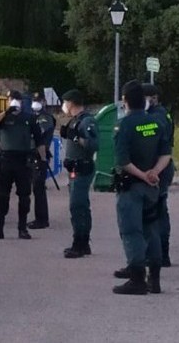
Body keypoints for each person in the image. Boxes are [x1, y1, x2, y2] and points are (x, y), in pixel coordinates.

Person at [111, 80, 172, 295]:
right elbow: (166, 153)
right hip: (153, 187)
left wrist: (142, 175)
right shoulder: (156, 122)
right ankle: (154, 279)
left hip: (132, 186)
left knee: (131, 231)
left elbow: (122, 161)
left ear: (125, 101)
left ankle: (137, 278)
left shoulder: (124, 125)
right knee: (151, 229)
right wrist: (154, 172)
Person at [0, 90, 46, 241]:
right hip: (5, 160)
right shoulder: (4, 117)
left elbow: (39, 141)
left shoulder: (29, 118)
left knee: (24, 197)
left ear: (21, 101)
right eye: (10, 99)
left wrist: (42, 161)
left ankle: (22, 228)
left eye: (15, 99)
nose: (13, 101)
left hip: (23, 160)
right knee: (1, 196)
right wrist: (6, 112)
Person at [59, 89, 98, 259]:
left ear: (71, 103)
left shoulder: (87, 121)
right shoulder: (75, 121)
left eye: (65, 102)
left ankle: (81, 243)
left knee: (78, 206)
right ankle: (82, 242)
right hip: (74, 169)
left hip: (82, 168)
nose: (64, 106)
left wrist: (75, 138)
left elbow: (93, 145)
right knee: (78, 206)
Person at [144, 84, 176, 265]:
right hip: (162, 166)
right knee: (159, 210)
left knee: (157, 212)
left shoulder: (157, 116)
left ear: (152, 98)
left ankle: (160, 254)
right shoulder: (163, 113)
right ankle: (161, 254)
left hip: (158, 168)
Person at [28, 93, 56, 230]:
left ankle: (42, 219)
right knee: (34, 188)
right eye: (34, 101)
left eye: (38, 101)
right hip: (31, 155)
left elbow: (38, 134)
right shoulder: (33, 117)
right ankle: (37, 217)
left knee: (39, 189)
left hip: (40, 156)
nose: (35, 103)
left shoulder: (45, 118)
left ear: (43, 102)